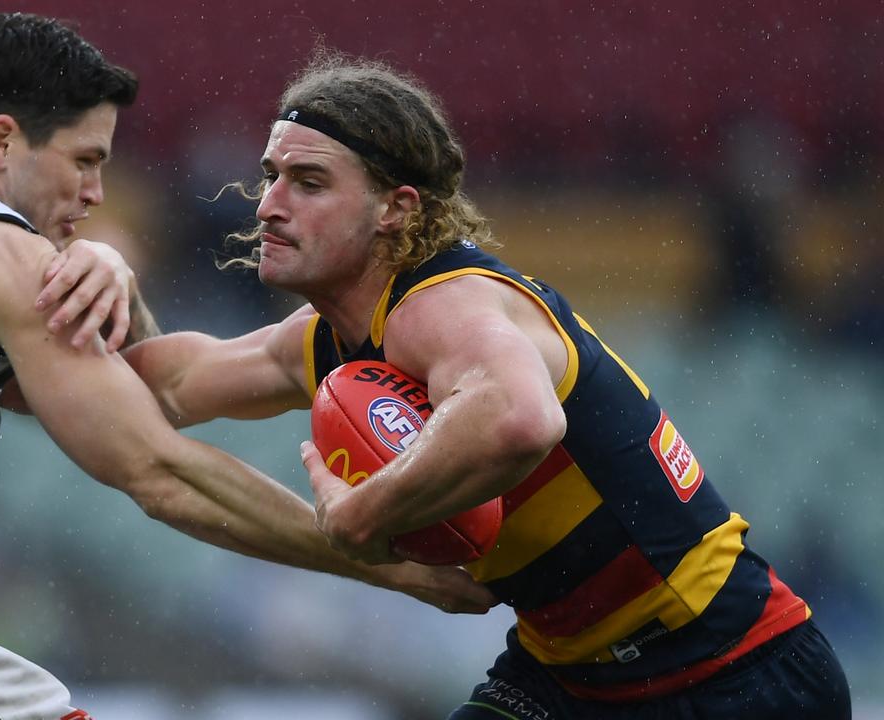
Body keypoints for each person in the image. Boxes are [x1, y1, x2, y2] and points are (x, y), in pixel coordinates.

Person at [0, 15, 488, 720]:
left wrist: (110, 272)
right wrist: (382, 565)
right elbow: (157, 470)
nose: (94, 192)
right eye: (84, 160)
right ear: (1, 142)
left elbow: (88, 388)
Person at [121, 53, 852, 718]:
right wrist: (96, 282)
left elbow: (522, 420)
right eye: (271, 175)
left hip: (733, 673)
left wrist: (359, 518)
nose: (268, 204)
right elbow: (166, 383)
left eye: (308, 182)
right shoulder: (324, 340)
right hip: (569, 676)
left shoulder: (445, 302)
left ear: (396, 209)